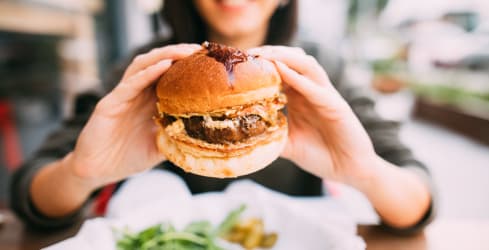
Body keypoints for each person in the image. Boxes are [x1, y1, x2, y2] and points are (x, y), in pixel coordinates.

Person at [10, 0, 434, 233]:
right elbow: (30, 198)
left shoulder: (317, 71)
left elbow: (419, 202)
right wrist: (83, 174)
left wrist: (362, 171)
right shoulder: (144, 73)